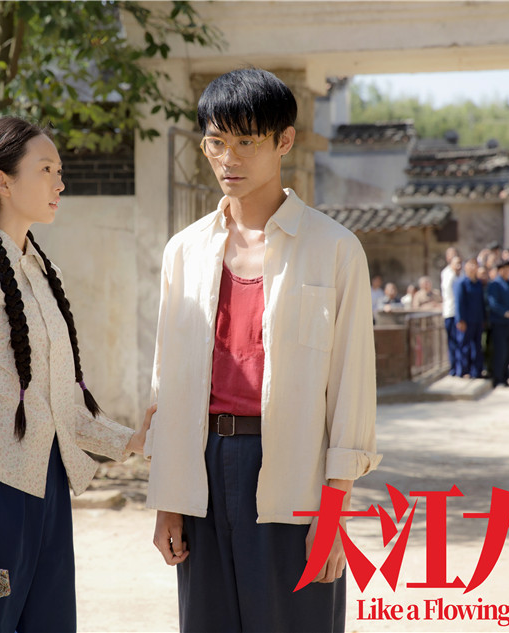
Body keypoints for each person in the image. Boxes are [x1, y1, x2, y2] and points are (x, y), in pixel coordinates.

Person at [145, 68, 381, 633]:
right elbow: (167, 385)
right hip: (201, 471)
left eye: (246, 142)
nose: (229, 159)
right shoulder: (184, 252)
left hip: (293, 472)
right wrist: (168, 500)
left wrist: (333, 511)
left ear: (284, 141)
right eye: (216, 142)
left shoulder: (334, 249)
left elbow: (352, 391)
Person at [0, 117, 154, 633]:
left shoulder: (45, 273)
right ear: (2, 181)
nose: (59, 183)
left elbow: (60, 402)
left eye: (60, 171)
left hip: (47, 494)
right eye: (46, 169)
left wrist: (131, 441)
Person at [486, 260, 509, 387]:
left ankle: (505, 377)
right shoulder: (495, 284)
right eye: (504, 269)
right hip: (499, 322)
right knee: (500, 351)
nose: (506, 272)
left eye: (508, 269)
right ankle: (498, 377)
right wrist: (508, 313)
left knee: (508, 352)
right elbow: (493, 304)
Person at [453, 257, 486, 378]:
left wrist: (483, 318)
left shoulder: (478, 283)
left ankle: (476, 371)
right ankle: (463, 370)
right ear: (465, 266)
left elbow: (481, 302)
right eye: (470, 264)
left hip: (477, 319)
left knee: (477, 346)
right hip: (466, 320)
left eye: (475, 265)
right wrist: (460, 320)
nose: (473, 267)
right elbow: (459, 302)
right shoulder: (460, 283)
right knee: (464, 346)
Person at [441, 251, 462, 375]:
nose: (459, 266)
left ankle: (459, 368)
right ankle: (454, 369)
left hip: (458, 312)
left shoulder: (459, 274)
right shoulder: (448, 274)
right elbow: (451, 293)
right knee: (453, 342)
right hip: (451, 312)